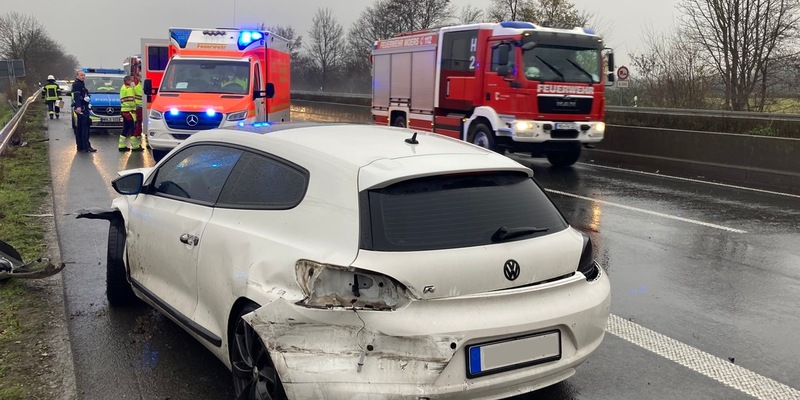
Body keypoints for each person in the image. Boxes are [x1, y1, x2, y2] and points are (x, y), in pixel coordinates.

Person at [71, 70, 96, 153]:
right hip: (82, 109)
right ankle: (86, 146)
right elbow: (77, 96)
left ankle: (81, 146)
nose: (83, 77)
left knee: (80, 128)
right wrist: (78, 107)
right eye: (81, 75)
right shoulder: (77, 85)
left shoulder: (81, 84)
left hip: (83, 107)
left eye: (84, 75)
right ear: (77, 76)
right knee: (85, 128)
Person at [119, 75, 137, 151]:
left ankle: (122, 145)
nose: (132, 81)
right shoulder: (129, 89)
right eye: (131, 80)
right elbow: (131, 100)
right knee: (132, 128)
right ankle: (134, 146)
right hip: (129, 111)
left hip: (124, 110)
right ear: (128, 81)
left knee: (125, 128)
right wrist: (134, 107)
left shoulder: (123, 87)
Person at [131, 72, 144, 151]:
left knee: (146, 125)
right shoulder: (135, 88)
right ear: (138, 78)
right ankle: (135, 144)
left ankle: (146, 142)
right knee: (138, 125)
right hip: (139, 108)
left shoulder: (138, 87)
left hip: (145, 108)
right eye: (141, 76)